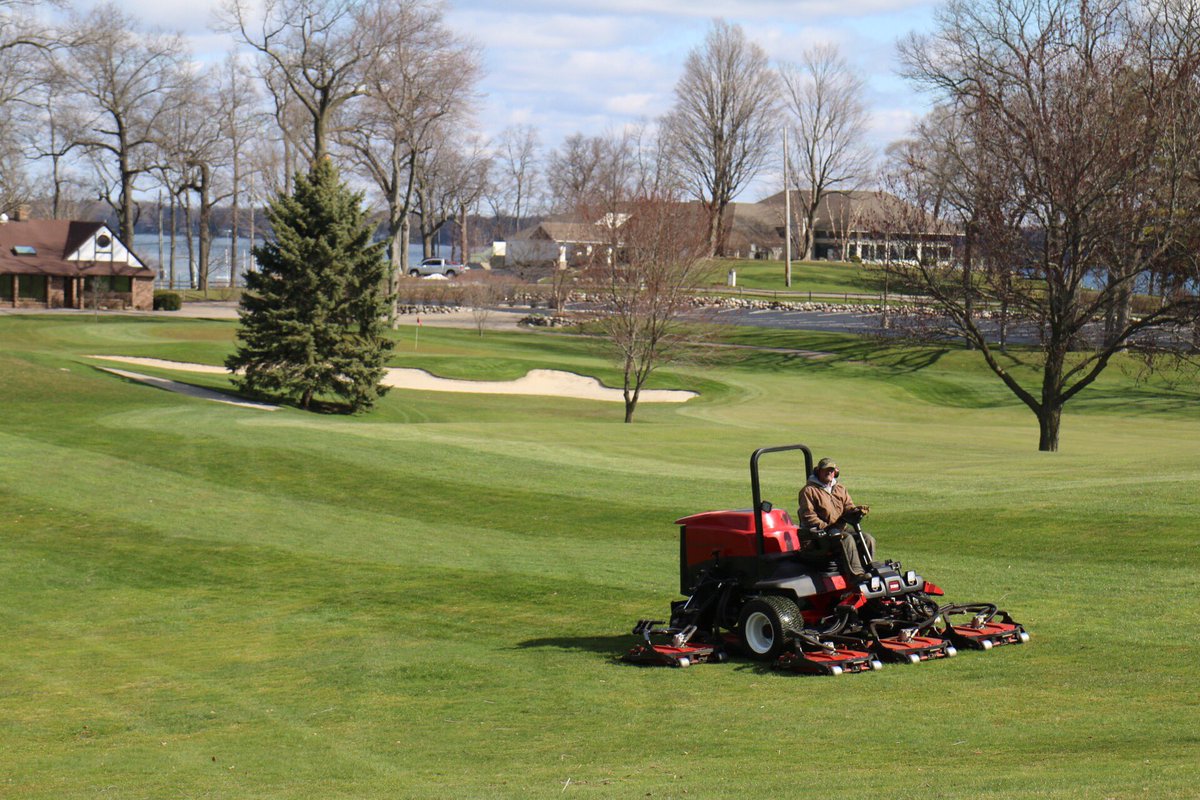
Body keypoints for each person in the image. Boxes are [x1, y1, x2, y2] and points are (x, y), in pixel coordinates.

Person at [798, 457, 876, 577]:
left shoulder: (840, 489)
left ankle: (869, 569)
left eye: (832, 470)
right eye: (826, 470)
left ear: (836, 472)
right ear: (818, 471)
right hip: (818, 535)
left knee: (868, 538)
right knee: (847, 539)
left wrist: (857, 511)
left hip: (839, 529)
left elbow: (848, 507)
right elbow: (808, 516)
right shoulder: (808, 491)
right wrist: (828, 527)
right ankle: (857, 575)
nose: (829, 472)